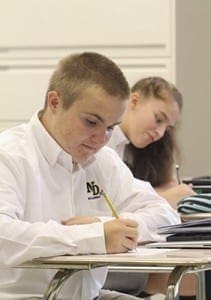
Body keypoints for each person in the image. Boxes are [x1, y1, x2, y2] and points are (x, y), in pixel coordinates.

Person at [0, 53, 180, 300]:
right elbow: (4, 237)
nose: (101, 138)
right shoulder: (9, 155)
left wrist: (107, 226)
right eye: (91, 122)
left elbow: (166, 216)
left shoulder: (102, 160)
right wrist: (95, 237)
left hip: (90, 295)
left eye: (110, 127)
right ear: (55, 102)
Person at [104, 77, 197, 300]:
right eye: (158, 119)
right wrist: (166, 196)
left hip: (129, 248)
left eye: (167, 127)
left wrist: (163, 195)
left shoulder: (141, 151)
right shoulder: (100, 148)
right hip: (103, 254)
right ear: (133, 101)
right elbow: (104, 210)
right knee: (185, 277)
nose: (160, 132)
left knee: (191, 271)